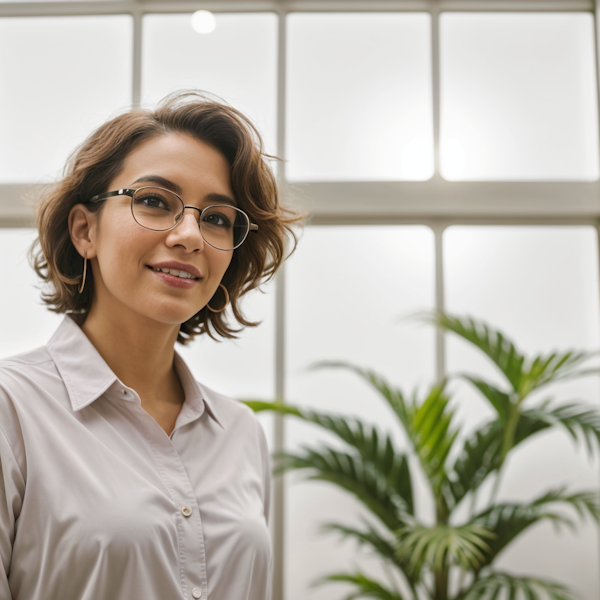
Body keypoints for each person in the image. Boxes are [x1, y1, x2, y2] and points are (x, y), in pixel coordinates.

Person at [0, 90, 301, 600]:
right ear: (84, 230)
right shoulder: (13, 409)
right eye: (155, 202)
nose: (190, 235)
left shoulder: (239, 432)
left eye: (217, 218)